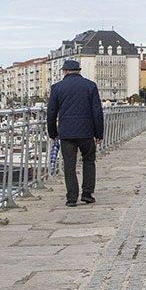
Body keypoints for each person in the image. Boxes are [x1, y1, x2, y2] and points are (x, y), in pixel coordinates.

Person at [46, 59, 104, 207]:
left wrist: (52, 132)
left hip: (67, 133)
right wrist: (99, 134)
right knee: (89, 161)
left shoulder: (57, 88)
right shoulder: (90, 86)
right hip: (86, 132)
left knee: (69, 165)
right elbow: (97, 112)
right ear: (79, 70)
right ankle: (87, 194)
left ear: (65, 71)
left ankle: (72, 198)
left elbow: (51, 112)